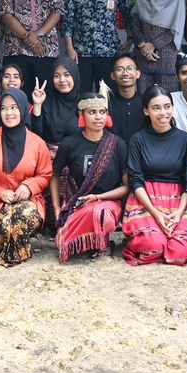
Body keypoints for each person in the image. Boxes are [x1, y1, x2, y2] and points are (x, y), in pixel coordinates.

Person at [0, 89, 53, 267]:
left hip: (29, 200)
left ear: (23, 109)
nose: (9, 113)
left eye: (14, 107)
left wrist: (28, 187)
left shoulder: (37, 142)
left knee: (21, 218)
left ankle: (14, 251)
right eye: (4, 108)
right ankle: (18, 246)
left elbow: (45, 174)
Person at [122, 86, 187, 266]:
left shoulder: (186, 139)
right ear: (146, 111)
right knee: (151, 245)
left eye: (167, 106)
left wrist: (179, 213)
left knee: (181, 253)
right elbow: (136, 180)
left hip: (178, 200)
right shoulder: (138, 139)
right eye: (156, 108)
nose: (163, 112)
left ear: (173, 108)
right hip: (145, 199)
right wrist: (154, 212)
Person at [52, 90, 129, 262]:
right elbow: (55, 176)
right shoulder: (69, 144)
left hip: (109, 204)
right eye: (92, 112)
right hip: (77, 204)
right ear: (82, 115)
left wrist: (97, 197)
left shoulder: (117, 145)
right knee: (61, 243)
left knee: (99, 212)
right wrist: (58, 209)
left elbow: (126, 187)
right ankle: (89, 241)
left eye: (102, 112)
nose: (98, 117)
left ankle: (101, 244)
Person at [63, 0, 132, 93]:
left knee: (107, 95)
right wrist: (69, 47)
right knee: (82, 95)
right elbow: (68, 19)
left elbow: (130, 14)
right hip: (81, 52)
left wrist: (130, 39)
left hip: (108, 51)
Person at [129, 0, 185, 91]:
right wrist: (143, 45)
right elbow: (135, 26)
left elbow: (175, 30)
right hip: (142, 57)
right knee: (144, 99)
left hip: (166, 58)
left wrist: (153, 46)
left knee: (167, 100)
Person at [29, 57, 80, 150]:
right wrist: (37, 105)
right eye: (57, 76)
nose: (62, 80)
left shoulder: (83, 103)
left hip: (76, 158)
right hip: (48, 158)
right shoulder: (46, 102)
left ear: (75, 75)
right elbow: (36, 136)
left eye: (67, 75)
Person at [107, 54, 147, 140]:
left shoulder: (146, 102)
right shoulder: (106, 104)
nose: (125, 73)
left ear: (138, 74)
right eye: (119, 69)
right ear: (113, 76)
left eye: (129, 68)